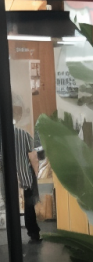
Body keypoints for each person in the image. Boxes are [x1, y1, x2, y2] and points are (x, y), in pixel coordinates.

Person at [0, 102, 41, 243]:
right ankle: (33, 233)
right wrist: (36, 172)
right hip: (25, 176)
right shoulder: (24, 134)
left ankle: (13, 235)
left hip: (7, 177)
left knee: (10, 206)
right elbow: (32, 156)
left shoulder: (2, 136)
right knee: (29, 206)